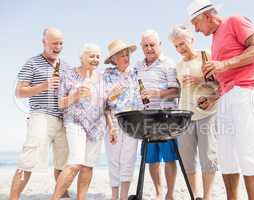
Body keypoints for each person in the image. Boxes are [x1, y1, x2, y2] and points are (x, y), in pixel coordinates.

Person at [187, 0, 254, 199]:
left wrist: (224, 64)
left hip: (248, 91)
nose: (196, 30)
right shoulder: (215, 40)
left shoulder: (234, 21)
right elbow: (226, 75)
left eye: (196, 24)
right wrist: (213, 97)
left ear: (206, 16)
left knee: (249, 153)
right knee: (227, 156)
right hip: (227, 97)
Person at [9, 27, 69, 200]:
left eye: (60, 43)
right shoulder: (33, 62)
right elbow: (19, 92)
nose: (57, 47)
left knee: (63, 162)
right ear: (44, 42)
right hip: (41, 116)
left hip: (62, 119)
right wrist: (44, 85)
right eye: (54, 43)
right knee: (28, 160)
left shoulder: (65, 66)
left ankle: (62, 195)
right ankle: (13, 197)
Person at [51, 43, 111, 200]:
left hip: (97, 126)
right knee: (75, 162)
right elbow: (60, 103)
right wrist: (75, 96)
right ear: (81, 57)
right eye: (92, 56)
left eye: (98, 56)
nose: (95, 59)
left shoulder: (102, 78)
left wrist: (112, 127)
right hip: (75, 121)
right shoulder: (69, 75)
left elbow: (106, 105)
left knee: (88, 165)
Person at [169, 24, 218, 200]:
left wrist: (199, 79)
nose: (180, 49)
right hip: (185, 117)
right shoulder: (178, 65)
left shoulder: (207, 56)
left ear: (192, 40)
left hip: (207, 114)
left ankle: (207, 197)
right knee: (187, 159)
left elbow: (220, 83)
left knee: (208, 157)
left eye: (182, 44)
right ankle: (194, 195)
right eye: (176, 46)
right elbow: (179, 91)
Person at [136, 30, 180, 200]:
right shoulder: (138, 66)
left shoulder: (169, 64)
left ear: (160, 45)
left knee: (169, 156)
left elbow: (176, 91)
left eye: (152, 45)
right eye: (145, 45)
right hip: (146, 117)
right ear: (141, 47)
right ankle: (158, 191)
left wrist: (157, 93)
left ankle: (170, 193)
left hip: (166, 117)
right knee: (151, 158)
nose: (149, 48)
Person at [103, 39, 141, 200]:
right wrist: (111, 127)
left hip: (133, 121)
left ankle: (124, 197)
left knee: (128, 159)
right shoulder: (106, 75)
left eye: (127, 54)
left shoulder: (136, 72)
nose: (126, 57)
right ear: (113, 59)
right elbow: (104, 104)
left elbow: (141, 98)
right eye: (121, 55)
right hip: (114, 122)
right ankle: (114, 196)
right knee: (114, 160)